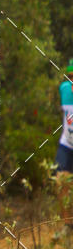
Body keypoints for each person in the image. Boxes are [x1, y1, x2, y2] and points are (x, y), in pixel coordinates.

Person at [55, 59, 73, 230]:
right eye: (71, 77)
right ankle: (68, 227)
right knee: (61, 180)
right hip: (67, 143)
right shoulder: (65, 89)